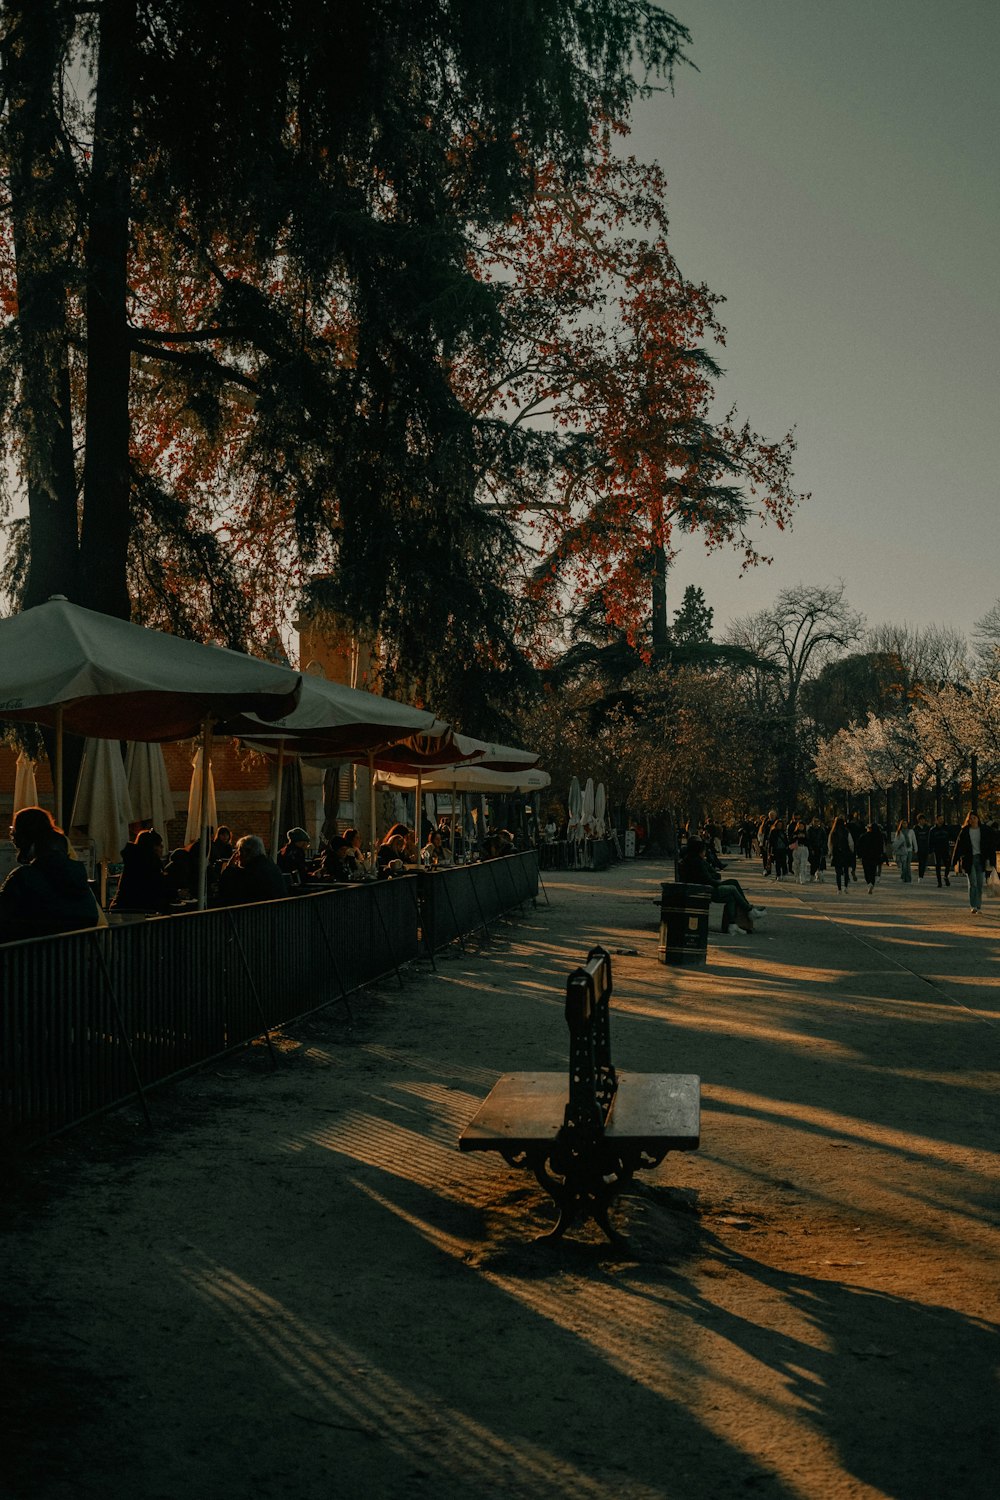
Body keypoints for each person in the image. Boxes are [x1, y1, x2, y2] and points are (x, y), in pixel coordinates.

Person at [0, 806, 101, 942]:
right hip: (75, 956)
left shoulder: (23, 877)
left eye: (14, 832)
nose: (13, 838)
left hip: (31, 958)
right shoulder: (78, 875)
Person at [677, 837, 765, 934]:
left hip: (702, 887)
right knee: (732, 888)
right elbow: (708, 879)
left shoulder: (695, 860)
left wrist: (713, 877)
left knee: (731, 894)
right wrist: (718, 882)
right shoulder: (697, 862)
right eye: (704, 851)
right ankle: (749, 910)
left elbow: (715, 874)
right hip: (703, 890)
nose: (705, 853)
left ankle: (733, 923)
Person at [216, 834, 288, 905]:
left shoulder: (249, 872)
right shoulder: (271, 866)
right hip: (277, 912)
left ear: (246, 853)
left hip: (255, 914)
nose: (237, 856)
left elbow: (225, 890)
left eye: (239, 851)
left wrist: (229, 868)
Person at [112, 828, 170, 912]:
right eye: (159, 845)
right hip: (138, 911)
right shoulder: (149, 864)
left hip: (123, 908)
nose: (162, 848)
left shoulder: (133, 860)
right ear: (152, 847)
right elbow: (156, 887)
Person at [950, 812, 996, 916]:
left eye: (974, 818)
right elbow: (958, 846)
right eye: (970, 818)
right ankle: (973, 906)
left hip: (980, 859)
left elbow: (990, 846)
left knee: (979, 884)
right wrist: (954, 861)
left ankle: (979, 906)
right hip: (969, 859)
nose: (972, 820)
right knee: (973, 883)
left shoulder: (984, 830)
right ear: (968, 820)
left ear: (978, 819)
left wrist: (992, 861)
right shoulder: (965, 831)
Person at [827, 816, 854, 892]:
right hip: (845, 852)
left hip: (836, 853)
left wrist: (830, 852)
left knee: (838, 872)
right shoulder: (846, 831)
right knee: (846, 871)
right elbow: (851, 843)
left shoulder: (833, 832)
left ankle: (839, 889)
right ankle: (845, 887)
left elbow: (830, 843)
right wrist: (851, 851)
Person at [858, 822, 884, 894]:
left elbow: (859, 846)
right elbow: (881, 847)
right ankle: (872, 883)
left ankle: (869, 883)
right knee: (873, 871)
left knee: (866, 871)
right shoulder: (879, 836)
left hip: (865, 856)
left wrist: (859, 855)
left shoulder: (864, 836)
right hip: (875, 856)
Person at [928, 814, 952, 888]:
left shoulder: (946, 828)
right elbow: (930, 841)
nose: (941, 820)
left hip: (945, 849)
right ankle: (939, 882)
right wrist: (930, 851)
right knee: (938, 865)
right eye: (940, 819)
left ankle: (945, 876)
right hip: (937, 850)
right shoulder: (933, 830)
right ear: (937, 820)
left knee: (947, 864)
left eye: (942, 819)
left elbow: (950, 837)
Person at [789, 820, 810, 885]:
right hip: (796, 849)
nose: (801, 827)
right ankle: (797, 877)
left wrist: (804, 838)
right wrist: (797, 837)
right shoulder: (795, 833)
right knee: (796, 864)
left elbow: (809, 842)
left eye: (802, 826)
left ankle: (802, 878)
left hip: (804, 848)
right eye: (799, 826)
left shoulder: (806, 833)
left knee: (803, 864)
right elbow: (791, 840)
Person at [912, 814, 931, 882]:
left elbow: (929, 838)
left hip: (926, 847)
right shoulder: (916, 828)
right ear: (918, 820)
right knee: (921, 862)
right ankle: (920, 876)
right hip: (919, 848)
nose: (922, 821)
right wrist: (914, 848)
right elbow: (914, 839)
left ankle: (922, 874)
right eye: (921, 819)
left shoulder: (927, 828)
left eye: (923, 819)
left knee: (924, 862)